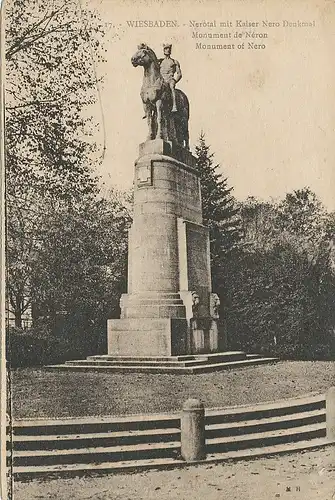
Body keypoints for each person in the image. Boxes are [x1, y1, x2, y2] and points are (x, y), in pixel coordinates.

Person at [159, 43, 182, 112]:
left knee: (172, 87)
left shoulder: (174, 62)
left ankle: (174, 105)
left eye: (169, 49)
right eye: (166, 49)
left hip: (170, 79)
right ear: (164, 50)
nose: (168, 50)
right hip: (161, 80)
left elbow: (179, 74)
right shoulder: (160, 61)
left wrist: (175, 80)